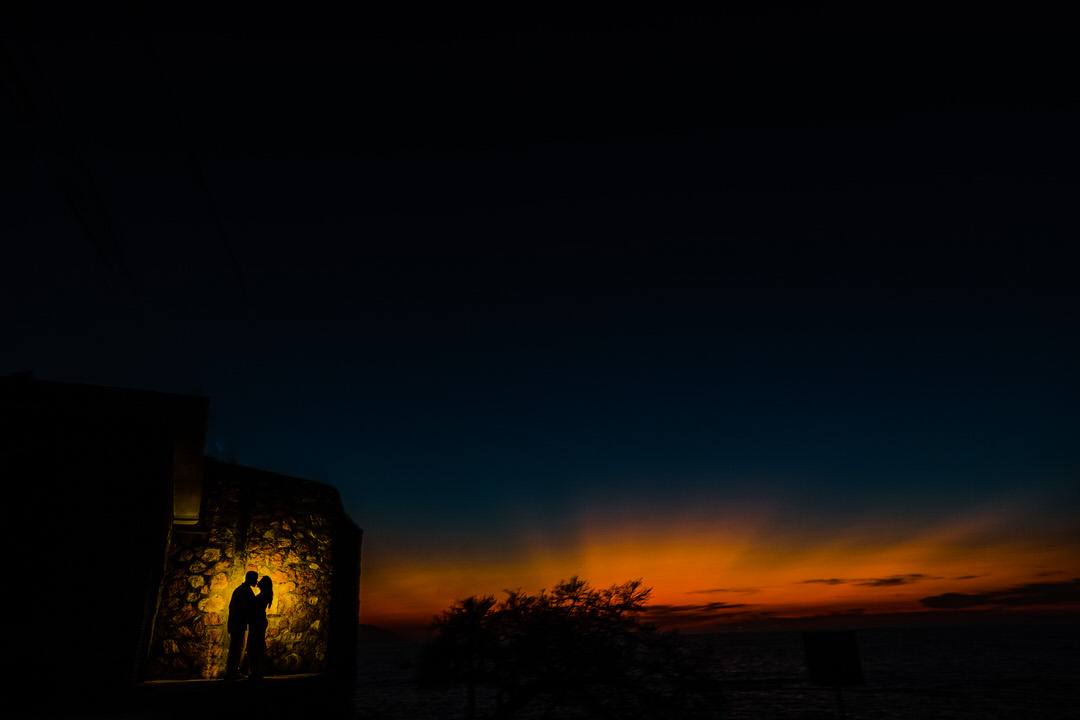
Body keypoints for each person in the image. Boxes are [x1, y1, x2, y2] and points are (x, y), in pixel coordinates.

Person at [225, 571, 258, 680]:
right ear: (250, 579)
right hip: (238, 624)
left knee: (236, 648)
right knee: (236, 648)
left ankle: (232, 671)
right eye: (255, 579)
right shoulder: (244, 591)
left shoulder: (241, 590)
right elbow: (247, 607)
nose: (256, 581)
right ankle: (231, 672)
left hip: (236, 623)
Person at [246, 575, 273, 681]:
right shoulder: (264, 595)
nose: (258, 582)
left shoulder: (262, 596)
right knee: (257, 645)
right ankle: (257, 671)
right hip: (259, 621)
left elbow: (254, 608)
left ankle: (256, 671)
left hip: (258, 622)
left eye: (261, 581)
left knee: (254, 646)